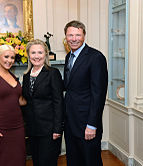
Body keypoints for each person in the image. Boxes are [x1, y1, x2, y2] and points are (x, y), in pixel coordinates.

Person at [63, 20, 108, 166]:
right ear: (66, 37)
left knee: (90, 161)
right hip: (70, 122)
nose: (74, 38)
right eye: (70, 35)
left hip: (87, 123)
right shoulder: (68, 57)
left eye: (77, 35)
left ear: (84, 36)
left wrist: (92, 125)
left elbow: (98, 94)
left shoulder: (96, 57)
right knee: (74, 160)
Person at [22, 39, 64, 166]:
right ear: (28, 55)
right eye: (33, 53)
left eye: (40, 52)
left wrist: (57, 128)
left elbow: (59, 102)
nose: (36, 56)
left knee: (48, 162)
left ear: (45, 54)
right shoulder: (26, 75)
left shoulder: (53, 73)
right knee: (36, 161)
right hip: (33, 129)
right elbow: (26, 101)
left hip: (49, 129)